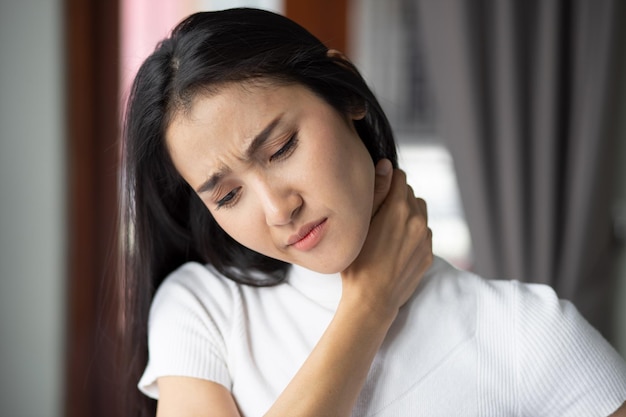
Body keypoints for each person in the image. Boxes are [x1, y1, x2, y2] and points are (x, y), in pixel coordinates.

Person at [120, 7, 626, 417]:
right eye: (228, 196)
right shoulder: (203, 309)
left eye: (280, 148)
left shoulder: (526, 330)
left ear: (344, 91)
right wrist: (369, 306)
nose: (279, 209)